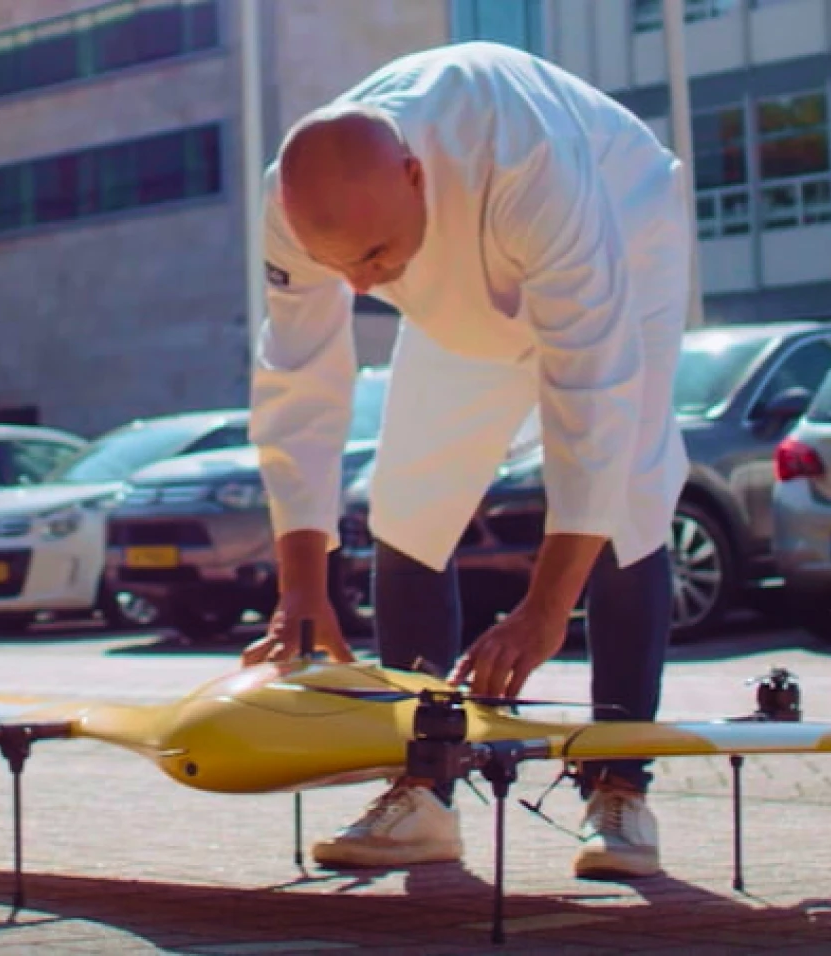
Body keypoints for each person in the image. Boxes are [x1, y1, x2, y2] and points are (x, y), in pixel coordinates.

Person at [241, 41, 692, 881]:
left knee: (628, 494)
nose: (365, 287)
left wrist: (545, 607)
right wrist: (301, 586)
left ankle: (619, 790)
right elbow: (298, 381)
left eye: (371, 259)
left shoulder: (526, 159)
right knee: (409, 500)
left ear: (414, 174)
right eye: (343, 271)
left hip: (625, 232)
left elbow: (592, 384)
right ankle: (424, 788)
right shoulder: (295, 204)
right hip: (461, 289)